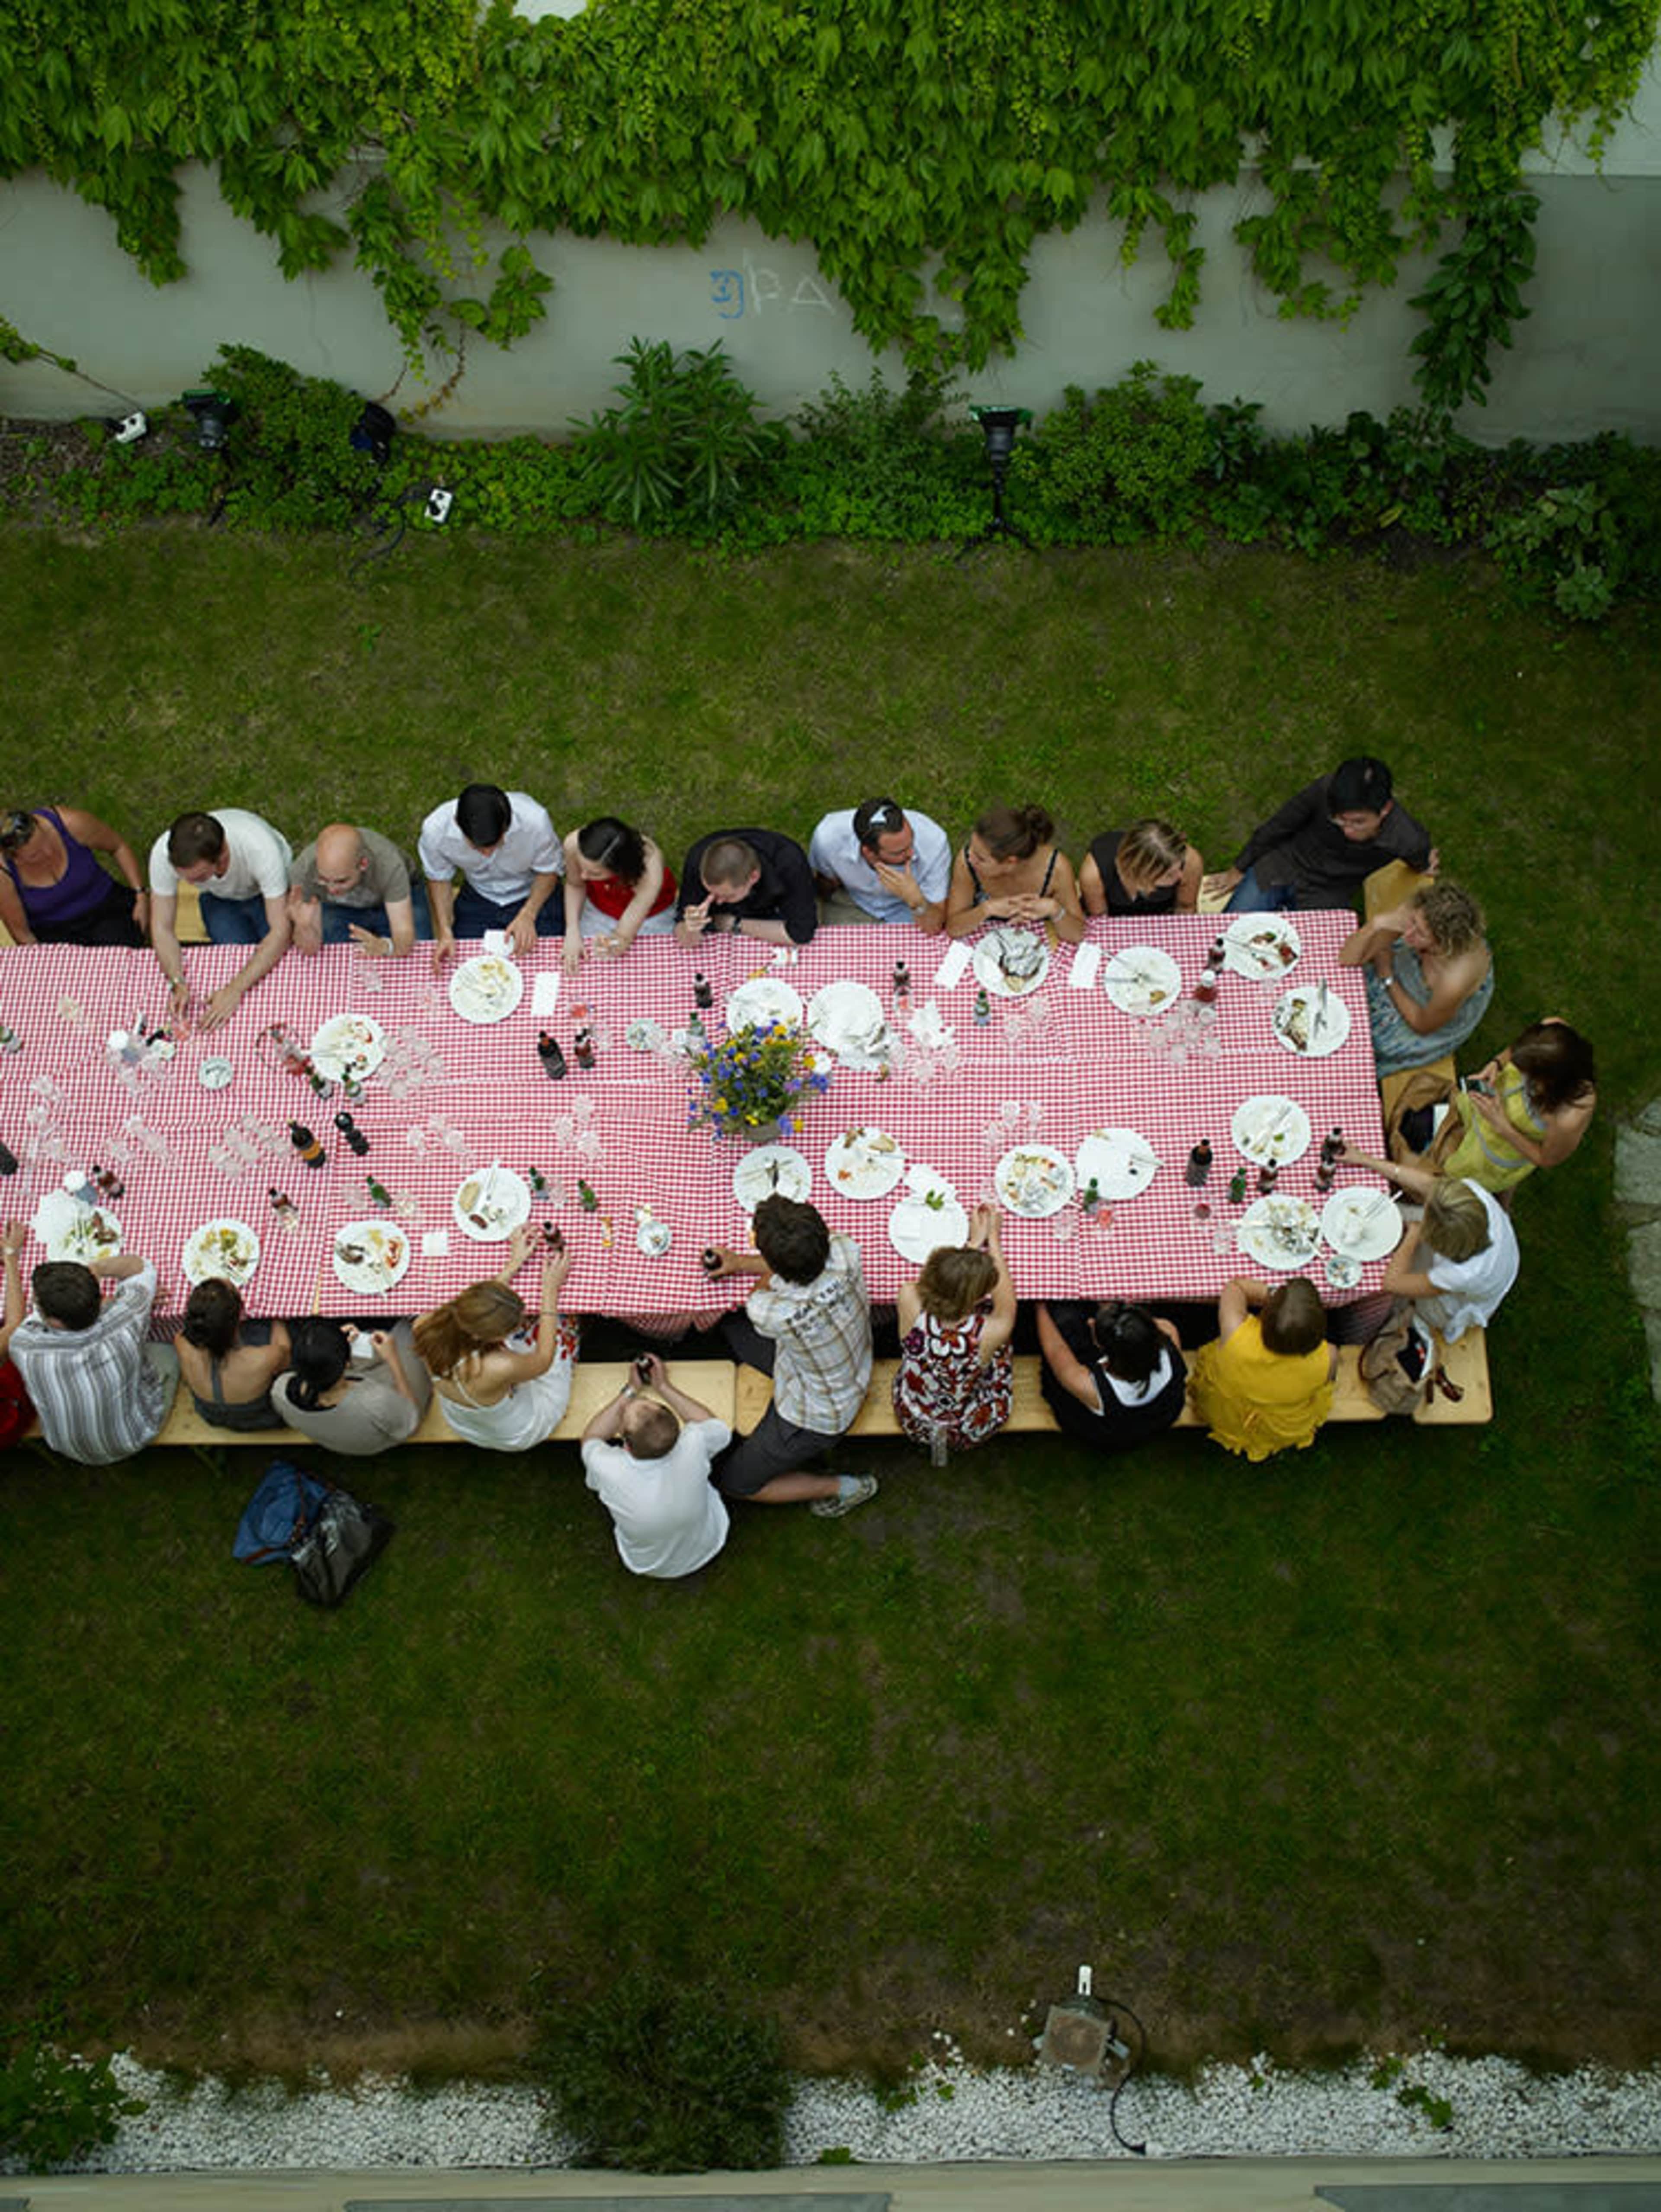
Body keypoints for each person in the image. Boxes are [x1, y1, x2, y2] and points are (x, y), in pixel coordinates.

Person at [708, 1194, 876, 1512]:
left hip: (819, 1414)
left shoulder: (769, 1311)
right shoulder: (845, 1249)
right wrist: (742, 1262)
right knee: (729, 1326)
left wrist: (757, 1263)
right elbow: (784, 1271)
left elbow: (762, 1293)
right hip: (851, 1358)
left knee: (736, 1482)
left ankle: (844, 1486)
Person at [8, 1246, 178, 1464]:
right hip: (135, 1435)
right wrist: (97, 1268)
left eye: (36, 1304)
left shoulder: (24, 1346)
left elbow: (19, 1322)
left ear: (55, 1322)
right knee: (169, 1349)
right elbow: (141, 1267)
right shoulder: (126, 1317)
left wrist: (12, 1257)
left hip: (65, 1446)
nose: (34, 1304)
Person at [1202, 757, 1434, 913]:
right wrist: (1239, 869)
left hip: (1330, 892)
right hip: (1283, 865)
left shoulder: (1406, 838)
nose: (1348, 830)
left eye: (1358, 822)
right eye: (1340, 820)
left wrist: (1424, 866)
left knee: (1309, 967)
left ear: (1385, 810)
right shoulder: (1324, 790)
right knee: (1230, 934)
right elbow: (1278, 826)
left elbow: (1420, 859)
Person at [414, 1230, 577, 1450]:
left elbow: (476, 1307)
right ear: (481, 1338)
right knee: (563, 1324)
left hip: (467, 1414)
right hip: (518, 1428)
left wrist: (515, 1262)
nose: (520, 1323)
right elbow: (544, 1360)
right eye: (510, 1329)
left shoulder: (425, 1325)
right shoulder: (497, 1366)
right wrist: (550, 1290)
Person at [580, 1352, 731, 1578]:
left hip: (647, 1562)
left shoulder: (608, 1468)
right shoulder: (693, 1442)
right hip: (709, 1540)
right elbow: (714, 1427)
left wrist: (630, 1391)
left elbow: (591, 1439)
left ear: (626, 1448)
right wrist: (663, 1387)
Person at [1336, 1159, 1519, 1342]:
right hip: (1489, 1258)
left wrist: (1413, 1234)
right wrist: (1362, 1158)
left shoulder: (1463, 1273)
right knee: (1385, 1217)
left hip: (1454, 1304)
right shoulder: (1471, 1198)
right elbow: (1427, 1184)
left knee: (1384, 1286)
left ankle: (1387, 1322)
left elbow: (1391, 1282)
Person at [149, 807, 294, 1032]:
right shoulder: (163, 854)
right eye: (184, 878)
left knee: (284, 965)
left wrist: (235, 990)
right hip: (220, 899)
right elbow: (161, 927)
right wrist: (177, 981)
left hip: (267, 893)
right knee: (235, 959)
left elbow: (281, 931)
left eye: (199, 878)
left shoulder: (260, 849)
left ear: (223, 856)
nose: (190, 885)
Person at [891, 1205, 1016, 1451]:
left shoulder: (908, 1297)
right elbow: (1006, 1303)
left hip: (914, 1415)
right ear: (978, 1300)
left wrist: (971, 1246)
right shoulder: (990, 1331)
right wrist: (993, 1240)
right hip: (967, 1424)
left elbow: (936, 1283)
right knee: (1001, 1356)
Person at [1340, 880, 1494, 1078]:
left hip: (1429, 1010)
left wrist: (1388, 976)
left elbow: (1423, 1025)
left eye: (1420, 934)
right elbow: (1348, 958)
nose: (1407, 935)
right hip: (1403, 977)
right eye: (1412, 922)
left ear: (1442, 943)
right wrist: (1374, 925)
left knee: (1368, 1041)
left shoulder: (1453, 980)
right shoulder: (1418, 916)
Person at [1430, 1019, 1597, 1192]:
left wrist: (1502, 1126)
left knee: (1453, 1178)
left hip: (1498, 1150)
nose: (1521, 1073)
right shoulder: (1552, 1035)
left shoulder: (1570, 1116)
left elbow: (1545, 1159)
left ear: (1550, 1082)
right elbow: (1519, 1050)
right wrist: (1497, 1064)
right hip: (1491, 1108)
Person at [1186, 1276, 1337, 1461]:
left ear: (1267, 1313)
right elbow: (1326, 1382)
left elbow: (1236, 1286)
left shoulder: (1236, 1332)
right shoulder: (1328, 1355)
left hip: (1228, 1413)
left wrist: (1272, 1294)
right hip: (1282, 1425)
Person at [418, 783, 563, 970]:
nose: (487, 855)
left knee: (550, 964)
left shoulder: (535, 822)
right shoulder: (435, 831)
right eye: (477, 848)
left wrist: (528, 915)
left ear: (507, 825)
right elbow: (439, 879)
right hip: (479, 896)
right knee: (463, 966)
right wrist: (445, 931)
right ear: (457, 823)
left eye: (495, 845)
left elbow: (549, 871)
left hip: (532, 892)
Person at [1036, 1297, 1188, 1450]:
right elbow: (1152, 1326)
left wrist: (1040, 1306)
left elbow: (1055, 1350)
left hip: (1113, 1429)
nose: (1091, 1322)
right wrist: (1115, 1314)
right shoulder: (1169, 1340)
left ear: (1102, 1349)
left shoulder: (1091, 1387)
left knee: (1066, 1319)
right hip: (1160, 1412)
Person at [271, 1317, 433, 1453]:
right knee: (407, 1330)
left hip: (338, 1424)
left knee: (369, 1344)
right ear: (346, 1364)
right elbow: (410, 1421)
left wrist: (329, 1347)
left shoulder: (280, 1389)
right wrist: (393, 1359)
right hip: (384, 1424)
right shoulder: (375, 1401)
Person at [0, 805, 149, 947]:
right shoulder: (4, 875)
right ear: (14, 858)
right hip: (55, 932)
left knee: (121, 952)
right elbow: (23, 935)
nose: (47, 852)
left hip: (104, 906)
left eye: (46, 841)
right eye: (35, 855)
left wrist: (140, 895)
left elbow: (118, 847)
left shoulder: (69, 823)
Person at [288, 822, 430, 959]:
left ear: (363, 864)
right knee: (331, 956)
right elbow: (309, 945)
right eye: (323, 880)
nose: (331, 890)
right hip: (341, 908)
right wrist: (304, 927)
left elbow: (404, 935)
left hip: (397, 900)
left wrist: (386, 947)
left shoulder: (389, 866)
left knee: (419, 950)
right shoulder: (304, 870)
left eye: (341, 881)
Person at [944, 805, 1086, 941]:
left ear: (1010, 862)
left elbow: (1077, 934)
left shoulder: (1056, 869)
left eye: (981, 859)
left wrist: (1055, 909)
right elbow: (954, 928)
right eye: (972, 848)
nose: (970, 857)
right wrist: (986, 910)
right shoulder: (968, 863)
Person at [808, 797, 952, 930]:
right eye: (900, 852)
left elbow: (935, 924)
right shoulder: (828, 839)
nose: (912, 854)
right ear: (869, 852)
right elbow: (825, 883)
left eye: (911, 841)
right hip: (852, 904)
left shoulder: (935, 842)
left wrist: (915, 900)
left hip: (909, 909)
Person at [561, 816, 678, 971]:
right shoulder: (573, 845)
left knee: (655, 965)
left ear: (621, 870)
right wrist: (572, 930)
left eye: (595, 874)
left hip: (651, 914)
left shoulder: (651, 871)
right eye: (582, 868)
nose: (584, 877)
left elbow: (624, 935)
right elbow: (575, 885)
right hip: (599, 906)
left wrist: (615, 944)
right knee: (581, 957)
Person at [176, 1279, 291, 1432]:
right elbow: (285, 1352)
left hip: (211, 1414)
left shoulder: (182, 1344)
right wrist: (276, 1318)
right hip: (260, 1417)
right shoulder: (261, 1359)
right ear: (238, 1321)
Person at [675, 829, 818, 947]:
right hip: (719, 924)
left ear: (753, 877)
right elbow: (686, 940)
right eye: (710, 892)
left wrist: (732, 924)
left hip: (770, 911)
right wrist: (691, 928)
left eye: (728, 896)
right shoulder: (698, 862)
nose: (717, 902)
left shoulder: (789, 864)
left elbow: (800, 935)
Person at [1079, 819, 1203, 918]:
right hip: (1114, 918)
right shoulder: (1095, 874)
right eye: (1169, 875)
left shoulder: (1190, 862)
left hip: (1162, 916)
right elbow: (1101, 921)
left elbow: (1185, 909)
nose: (1181, 877)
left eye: (1180, 867)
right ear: (1142, 873)